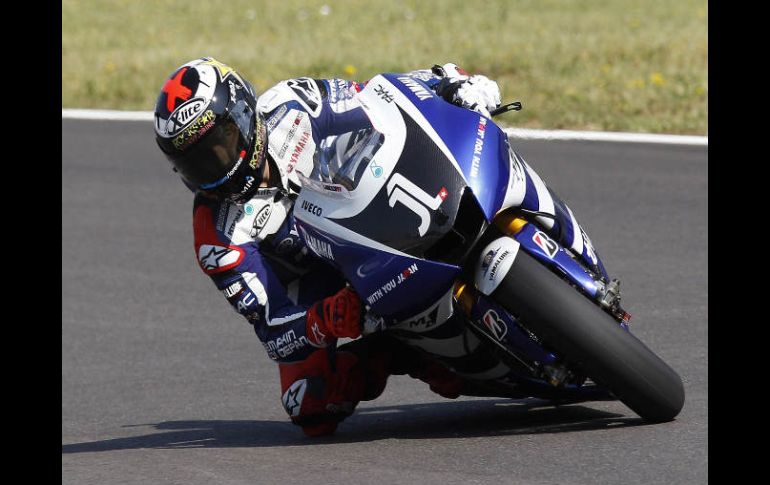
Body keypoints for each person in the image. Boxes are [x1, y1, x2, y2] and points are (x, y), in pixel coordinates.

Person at [154, 57, 597, 436]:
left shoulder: (295, 105)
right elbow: (272, 328)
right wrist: (323, 322)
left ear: (246, 114)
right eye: (195, 163)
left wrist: (448, 81)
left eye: (220, 146)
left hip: (380, 208)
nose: (215, 169)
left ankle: (557, 235)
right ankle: (411, 354)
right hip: (330, 285)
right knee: (306, 406)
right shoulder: (217, 235)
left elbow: (381, 99)